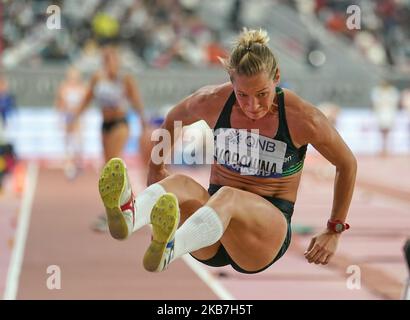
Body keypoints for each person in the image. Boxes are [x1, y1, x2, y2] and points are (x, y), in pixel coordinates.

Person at [98, 28, 357, 274]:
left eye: (262, 94)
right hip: (211, 231)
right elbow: (173, 120)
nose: (252, 105)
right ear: (231, 82)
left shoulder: (302, 117)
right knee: (179, 182)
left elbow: (347, 164)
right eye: (242, 94)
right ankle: (130, 217)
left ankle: (169, 248)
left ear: (276, 77)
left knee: (229, 197)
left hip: (264, 237)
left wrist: (334, 229)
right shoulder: (212, 101)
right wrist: (156, 169)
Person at [71, 45, 146, 231]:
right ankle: (127, 208)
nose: (110, 64)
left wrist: (144, 122)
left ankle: (116, 212)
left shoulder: (125, 79)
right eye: (107, 60)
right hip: (104, 125)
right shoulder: (98, 77)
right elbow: (87, 99)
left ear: (118, 62)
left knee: (113, 165)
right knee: (109, 168)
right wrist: (75, 117)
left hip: (120, 124)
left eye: (113, 60)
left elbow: (136, 100)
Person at [55, 67, 86, 180]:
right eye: (71, 76)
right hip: (68, 117)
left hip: (77, 117)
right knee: (68, 140)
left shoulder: (82, 88)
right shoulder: (64, 87)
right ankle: (69, 165)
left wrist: (80, 115)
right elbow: (59, 103)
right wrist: (60, 117)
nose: (73, 78)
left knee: (78, 140)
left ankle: (78, 162)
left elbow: (84, 104)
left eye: (75, 76)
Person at [371, 80, 400, 156]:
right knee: (381, 132)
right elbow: (375, 102)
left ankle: (387, 149)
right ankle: (383, 149)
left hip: (389, 113)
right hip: (381, 114)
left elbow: (394, 102)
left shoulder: (392, 91)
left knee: (388, 132)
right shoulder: (377, 91)